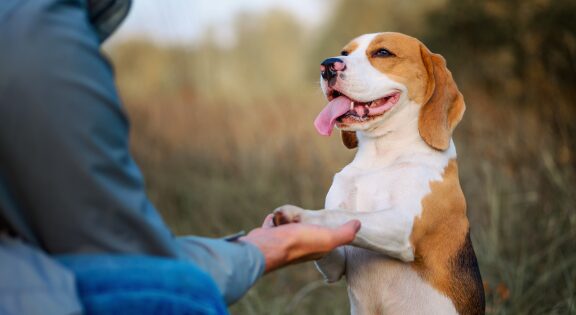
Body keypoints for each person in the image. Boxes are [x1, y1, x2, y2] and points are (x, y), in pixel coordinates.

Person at [0, 0, 360, 314]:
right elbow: (136, 265)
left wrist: (253, 249)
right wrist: (262, 252)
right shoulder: (37, 33)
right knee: (179, 296)